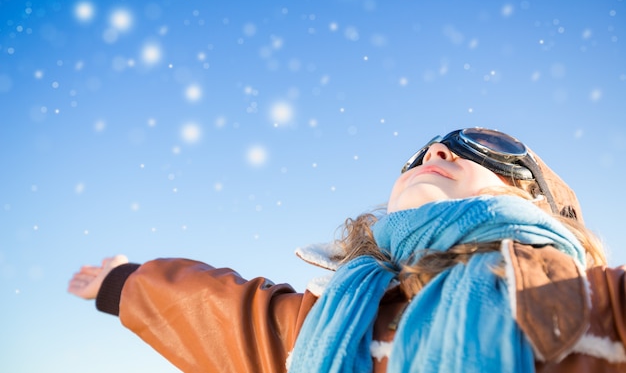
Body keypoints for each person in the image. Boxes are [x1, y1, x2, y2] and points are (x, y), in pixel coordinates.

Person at [68, 127, 626, 373]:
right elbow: (223, 314)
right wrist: (126, 281)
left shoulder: (599, 307)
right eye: (423, 153)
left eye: (488, 147)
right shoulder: (332, 322)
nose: (436, 149)